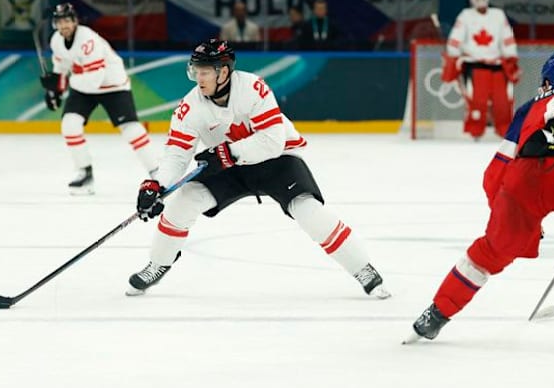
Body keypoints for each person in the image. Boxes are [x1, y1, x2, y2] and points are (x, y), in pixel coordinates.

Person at [405, 51, 554, 348]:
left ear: (546, 81)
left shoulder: (530, 108)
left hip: (526, 179)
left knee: (489, 251)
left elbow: (495, 173)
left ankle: (434, 316)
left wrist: (509, 215)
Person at [128, 39, 391, 299]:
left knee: (308, 210)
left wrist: (228, 152)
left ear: (224, 71)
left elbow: (272, 141)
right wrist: (157, 186)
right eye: (196, 71)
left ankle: (363, 269)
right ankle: (158, 263)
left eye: (205, 71)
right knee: (183, 202)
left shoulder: (253, 88)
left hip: (275, 161)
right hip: (229, 167)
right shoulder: (190, 107)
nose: (199, 78)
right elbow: (176, 154)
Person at [41, 3, 160, 194]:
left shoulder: (88, 39)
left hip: (112, 83)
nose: (64, 26)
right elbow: (62, 66)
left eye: (67, 21)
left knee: (131, 129)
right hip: (83, 83)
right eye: (60, 22)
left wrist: (62, 86)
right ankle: (85, 174)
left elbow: (94, 80)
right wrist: (54, 90)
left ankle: (157, 172)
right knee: (69, 125)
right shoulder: (56, 40)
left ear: (75, 21)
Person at [441, 0, 521, 139]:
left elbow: (507, 37)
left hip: (497, 65)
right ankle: (475, 130)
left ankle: (505, 131)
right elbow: (455, 38)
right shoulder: (465, 16)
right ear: (472, 0)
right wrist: (453, 54)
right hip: (474, 64)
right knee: (477, 100)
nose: (481, 1)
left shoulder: (498, 15)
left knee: (502, 101)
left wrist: (511, 56)